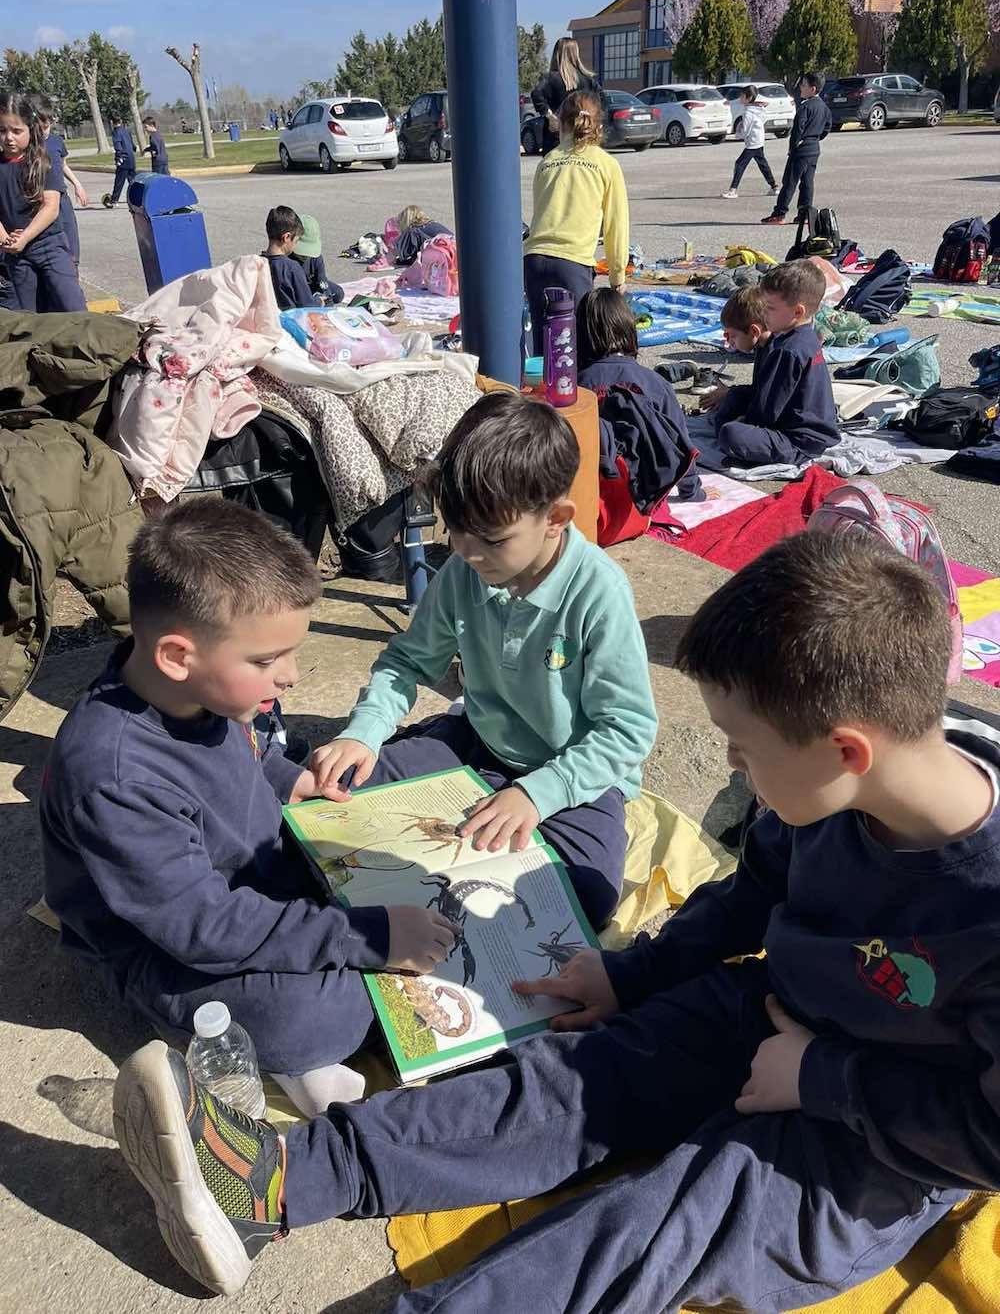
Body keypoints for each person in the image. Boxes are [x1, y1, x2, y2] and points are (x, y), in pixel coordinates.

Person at [114, 529, 1000, 1308]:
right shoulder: (827, 792)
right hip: (771, 1013)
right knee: (571, 1082)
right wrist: (630, 974)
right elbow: (750, 895)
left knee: (670, 1221)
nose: (734, 769)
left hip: (893, 1136)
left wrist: (822, 1078)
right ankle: (276, 1181)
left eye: (743, 749)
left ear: (846, 751)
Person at [41, 499, 459, 1118]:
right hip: (172, 950)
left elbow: (251, 754)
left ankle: (317, 1018)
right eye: (266, 661)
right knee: (318, 1016)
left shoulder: (208, 692)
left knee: (416, 801)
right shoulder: (116, 775)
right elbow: (202, 928)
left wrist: (291, 780)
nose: (290, 676)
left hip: (258, 879)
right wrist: (367, 937)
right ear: (177, 656)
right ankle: (282, 1057)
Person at [311, 392, 658, 930]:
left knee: (584, 897)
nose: (468, 552)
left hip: (572, 775)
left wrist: (537, 794)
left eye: (492, 539)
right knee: (337, 794)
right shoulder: (464, 572)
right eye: (456, 532)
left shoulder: (598, 592)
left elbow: (627, 730)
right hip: (478, 741)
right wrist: (364, 732)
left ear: (555, 519)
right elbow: (408, 661)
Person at [523, 90, 629, 356]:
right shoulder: (606, 164)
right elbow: (616, 225)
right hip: (572, 262)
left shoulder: (547, 161)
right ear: (599, 126)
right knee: (574, 348)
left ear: (561, 124)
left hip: (534, 259)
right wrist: (617, 276)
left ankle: (541, 382)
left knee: (543, 344)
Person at [707, 259, 839, 467]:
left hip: (800, 440)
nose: (764, 314)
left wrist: (745, 422)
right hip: (800, 424)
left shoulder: (787, 350)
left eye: (770, 308)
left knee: (730, 433)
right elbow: (766, 392)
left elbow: (766, 412)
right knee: (735, 396)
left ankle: (758, 449)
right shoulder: (799, 337)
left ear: (797, 312)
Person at [577, 287, 703, 502]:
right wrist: (692, 492)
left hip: (588, 496)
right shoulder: (656, 384)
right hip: (642, 498)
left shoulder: (574, 386)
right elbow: (681, 446)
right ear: (629, 328)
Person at [0, 93, 86, 312]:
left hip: (49, 246)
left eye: (16, 131)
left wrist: (25, 236)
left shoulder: (42, 161)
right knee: (30, 316)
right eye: (2, 130)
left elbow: (51, 207)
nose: (9, 138)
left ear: (30, 129)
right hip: (15, 254)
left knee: (72, 306)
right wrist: (6, 239)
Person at [762, 72, 831, 226]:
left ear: (813, 89)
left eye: (804, 85)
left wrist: (793, 148)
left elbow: (797, 130)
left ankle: (779, 214)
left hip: (801, 149)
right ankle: (804, 215)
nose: (800, 87)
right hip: (814, 148)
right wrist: (815, 138)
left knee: (789, 182)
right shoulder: (824, 107)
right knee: (807, 182)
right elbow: (827, 127)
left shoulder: (805, 107)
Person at [699, 286, 772, 416]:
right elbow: (758, 389)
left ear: (754, 331)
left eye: (732, 336)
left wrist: (729, 394)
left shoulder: (775, 354)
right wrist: (728, 392)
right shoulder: (763, 347)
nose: (729, 341)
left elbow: (765, 400)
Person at [531, 36, 602, 155]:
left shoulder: (549, 79)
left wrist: (549, 115)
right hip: (584, 136)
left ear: (556, 54)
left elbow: (536, 94)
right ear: (576, 54)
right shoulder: (588, 80)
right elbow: (600, 101)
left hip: (557, 137)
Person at [37, 109, 89, 267]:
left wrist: (77, 184)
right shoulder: (29, 143)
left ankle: (73, 270)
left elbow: (63, 165)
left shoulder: (57, 141)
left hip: (61, 197)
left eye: (47, 126)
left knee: (70, 237)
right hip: (40, 199)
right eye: (40, 127)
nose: (44, 131)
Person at [262, 205, 322, 310]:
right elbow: (307, 305)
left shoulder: (257, 263)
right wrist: (319, 301)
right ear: (287, 237)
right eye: (296, 241)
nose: (295, 245)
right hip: (290, 317)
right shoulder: (292, 268)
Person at [722, 86, 776, 200]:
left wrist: (738, 132)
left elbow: (745, 131)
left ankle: (733, 190)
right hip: (759, 140)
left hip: (753, 143)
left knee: (739, 164)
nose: (740, 98)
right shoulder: (757, 109)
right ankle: (774, 187)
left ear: (749, 97)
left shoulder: (748, 113)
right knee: (762, 164)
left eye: (742, 96)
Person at [290, 212, 344, 305]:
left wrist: (326, 300)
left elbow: (322, 281)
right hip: (296, 289)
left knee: (338, 293)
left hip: (312, 285)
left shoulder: (316, 258)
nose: (305, 256)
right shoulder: (287, 259)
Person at [102, 113, 136, 208]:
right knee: (133, 181)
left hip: (123, 159)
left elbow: (118, 145)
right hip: (131, 158)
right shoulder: (126, 130)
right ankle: (138, 199)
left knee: (119, 181)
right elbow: (133, 145)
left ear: (112, 122)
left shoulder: (116, 132)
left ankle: (114, 200)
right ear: (120, 121)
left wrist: (118, 158)